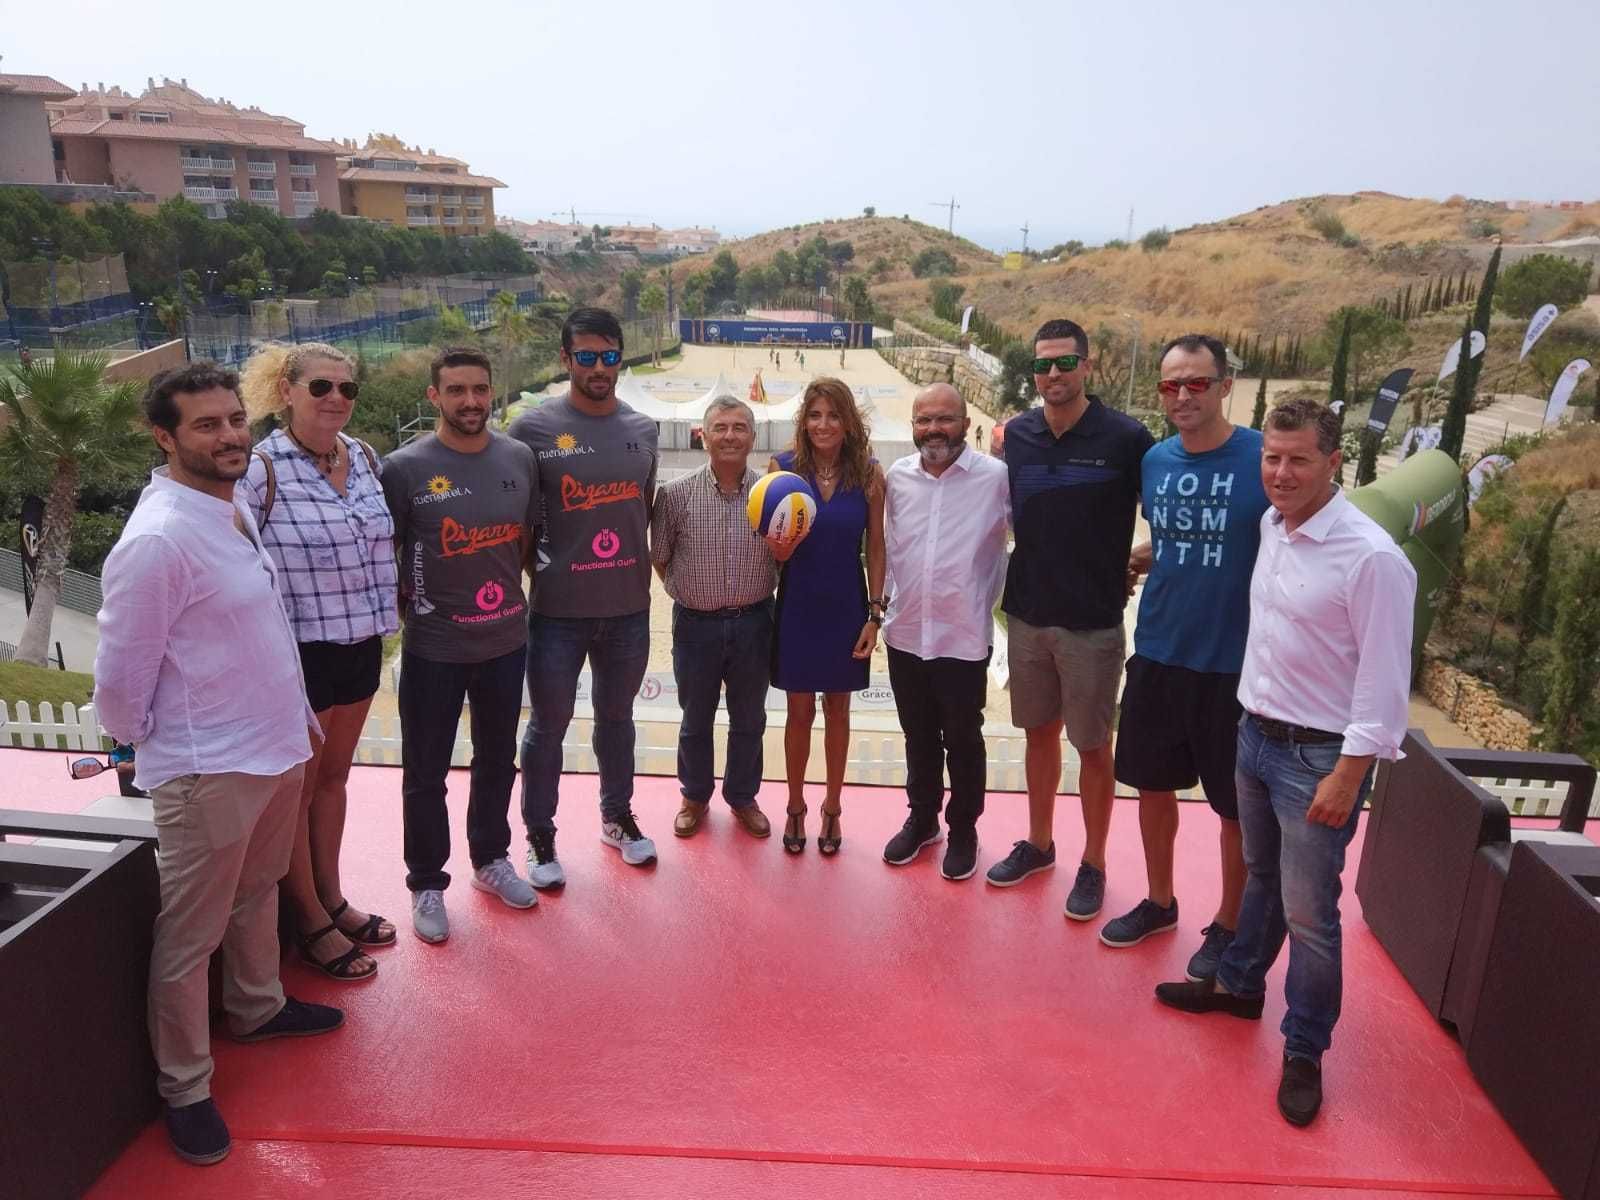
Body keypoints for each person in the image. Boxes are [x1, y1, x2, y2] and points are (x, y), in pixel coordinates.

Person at [94, 363, 342, 1167]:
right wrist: (135, 748)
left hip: (271, 747)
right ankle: (187, 1087)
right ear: (164, 438)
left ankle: (258, 1006)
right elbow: (121, 678)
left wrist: (298, 724)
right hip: (208, 766)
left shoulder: (227, 507)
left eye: (234, 418)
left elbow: (256, 630)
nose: (230, 435)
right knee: (190, 934)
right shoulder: (158, 539)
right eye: (206, 425)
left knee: (258, 891)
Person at [1155, 398, 1416, 1128]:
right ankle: (1239, 988)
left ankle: (1304, 1050)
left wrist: (1348, 774)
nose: (1281, 472)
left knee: (1310, 917)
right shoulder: (1273, 525)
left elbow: (1386, 686)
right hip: (1256, 736)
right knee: (1263, 880)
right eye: (1272, 457)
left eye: (1299, 458)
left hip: (1317, 758)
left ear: (1335, 462)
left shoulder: (1371, 558)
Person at [1104, 335, 1268, 981]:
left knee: (1234, 810)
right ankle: (1159, 900)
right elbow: (1171, 536)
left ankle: (1227, 924)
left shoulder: (1262, 457)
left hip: (1234, 664)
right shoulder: (1155, 462)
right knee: (1152, 785)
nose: (1182, 395)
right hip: (1159, 649)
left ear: (1226, 385)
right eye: (1171, 385)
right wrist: (1139, 558)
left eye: (1196, 383)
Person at [238, 342, 398, 982]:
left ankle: (331, 895)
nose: (336, 398)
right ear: (286, 391)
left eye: (347, 389)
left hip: (361, 644)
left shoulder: (361, 458)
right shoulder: (260, 469)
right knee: (298, 793)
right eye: (321, 387)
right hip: (299, 653)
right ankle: (308, 918)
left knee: (333, 779)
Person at [989, 319, 1155, 918]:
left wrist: (1142, 557)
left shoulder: (1127, 438)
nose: (1052, 375)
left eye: (1064, 363)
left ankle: (1094, 862)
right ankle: (1039, 843)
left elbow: (1171, 514)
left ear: (1088, 365)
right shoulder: (1019, 437)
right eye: (1042, 365)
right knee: (1038, 735)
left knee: (1091, 746)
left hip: (1092, 622)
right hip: (1029, 614)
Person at [381, 347, 542, 944]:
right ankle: (426, 881)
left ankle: (490, 860)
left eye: (479, 389)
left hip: (504, 641)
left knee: (498, 760)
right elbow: (388, 553)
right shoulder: (403, 468)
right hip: (432, 649)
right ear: (434, 397)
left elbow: (525, 540)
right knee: (425, 773)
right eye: (456, 391)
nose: (470, 402)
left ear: (491, 391)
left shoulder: (520, 458)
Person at [509, 308, 660, 885]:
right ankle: (540, 837)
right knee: (548, 725)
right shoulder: (532, 429)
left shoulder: (642, 429)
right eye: (587, 357)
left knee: (617, 720)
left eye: (609, 356)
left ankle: (616, 817)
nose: (599, 367)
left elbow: (640, 509)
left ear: (622, 356)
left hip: (627, 607)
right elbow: (518, 522)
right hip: (557, 613)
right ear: (566, 359)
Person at [879, 384, 1009, 880]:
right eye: (923, 420)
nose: (934, 429)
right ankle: (923, 819)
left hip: (962, 635)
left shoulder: (995, 478)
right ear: (912, 426)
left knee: (963, 738)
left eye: (945, 419)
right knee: (918, 737)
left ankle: (964, 829)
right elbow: (889, 548)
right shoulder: (898, 477)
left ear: (965, 422)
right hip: (906, 631)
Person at [767, 377, 886, 855]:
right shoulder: (783, 469)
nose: (824, 424)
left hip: (846, 605)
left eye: (833, 415)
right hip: (797, 602)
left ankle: (832, 808)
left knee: (839, 711)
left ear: (849, 422)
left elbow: (876, 547)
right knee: (798, 713)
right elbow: (768, 544)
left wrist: (875, 614)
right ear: (804, 421)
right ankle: (795, 805)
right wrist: (776, 548)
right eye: (815, 415)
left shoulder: (870, 473)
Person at [650, 395, 777, 839]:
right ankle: (695, 796)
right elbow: (660, 557)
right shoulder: (674, 494)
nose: (730, 435)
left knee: (750, 718)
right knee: (695, 718)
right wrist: (691, 594)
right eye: (720, 427)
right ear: (703, 437)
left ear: (752, 437)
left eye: (739, 427)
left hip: (755, 623)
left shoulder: (772, 494)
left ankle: (742, 797)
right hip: (696, 625)